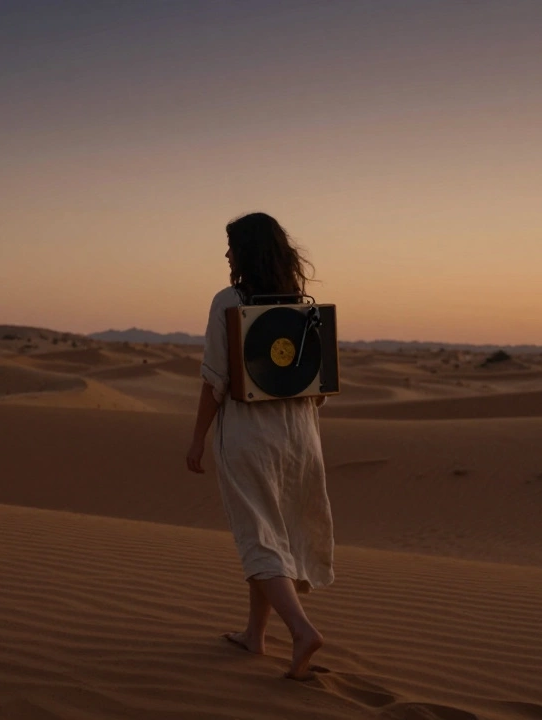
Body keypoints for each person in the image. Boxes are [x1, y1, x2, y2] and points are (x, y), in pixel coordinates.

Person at [185, 211, 334, 681]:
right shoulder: (302, 306)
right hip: (301, 437)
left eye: (231, 246)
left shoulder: (228, 301)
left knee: (257, 536)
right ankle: (255, 634)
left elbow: (215, 382)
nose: (226, 254)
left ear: (246, 251)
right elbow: (320, 385)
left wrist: (197, 440)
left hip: (249, 435)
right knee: (272, 533)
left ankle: (301, 629)